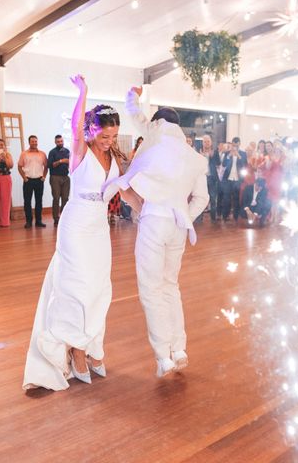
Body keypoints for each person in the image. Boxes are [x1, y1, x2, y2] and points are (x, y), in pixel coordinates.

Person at [23, 75, 122, 391]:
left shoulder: (114, 155)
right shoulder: (81, 149)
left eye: (114, 135)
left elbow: (125, 186)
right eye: (106, 135)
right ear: (94, 131)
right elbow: (77, 125)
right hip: (76, 225)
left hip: (99, 227)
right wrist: (83, 92)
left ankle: (91, 346)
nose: (110, 140)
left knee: (98, 288)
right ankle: (77, 350)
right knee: (77, 288)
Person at [104, 86, 209, 378]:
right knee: (170, 286)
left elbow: (135, 114)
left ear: (159, 121)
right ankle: (180, 348)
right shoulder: (191, 155)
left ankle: (163, 355)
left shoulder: (155, 135)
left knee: (151, 289)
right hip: (178, 225)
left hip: (154, 221)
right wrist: (185, 216)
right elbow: (203, 199)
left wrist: (131, 96)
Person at [18, 135, 48, 228]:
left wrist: (44, 176)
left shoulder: (42, 154)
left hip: (39, 180)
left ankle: (38, 221)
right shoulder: (24, 154)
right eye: (32, 141)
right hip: (28, 180)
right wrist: (24, 178)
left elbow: (46, 166)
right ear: (29, 142)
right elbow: (19, 166)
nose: (34, 143)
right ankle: (29, 221)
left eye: (35, 141)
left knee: (39, 201)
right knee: (27, 201)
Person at [47, 134, 70, 227]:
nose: (60, 143)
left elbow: (71, 162)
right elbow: (50, 165)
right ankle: (56, 218)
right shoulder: (52, 152)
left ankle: (64, 217)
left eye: (61, 141)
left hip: (66, 177)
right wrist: (61, 161)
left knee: (65, 198)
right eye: (58, 141)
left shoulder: (67, 151)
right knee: (56, 198)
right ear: (55, 142)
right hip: (55, 177)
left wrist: (68, 161)